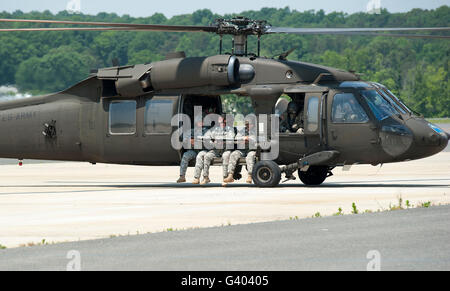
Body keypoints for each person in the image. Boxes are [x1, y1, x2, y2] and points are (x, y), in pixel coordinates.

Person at [193, 115, 234, 185]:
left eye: (221, 121)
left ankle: (225, 178)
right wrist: (213, 142)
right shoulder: (214, 129)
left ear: (225, 121)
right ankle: (205, 177)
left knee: (226, 156)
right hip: (216, 150)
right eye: (219, 121)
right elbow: (207, 137)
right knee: (207, 156)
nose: (220, 123)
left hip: (225, 149)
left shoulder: (230, 129)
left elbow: (231, 139)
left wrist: (223, 141)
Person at [223, 120, 257, 185]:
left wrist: (249, 138)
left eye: (249, 124)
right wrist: (243, 138)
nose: (247, 126)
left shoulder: (255, 130)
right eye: (246, 125)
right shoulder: (243, 130)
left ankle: (250, 175)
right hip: (242, 150)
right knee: (233, 154)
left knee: (250, 156)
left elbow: (255, 138)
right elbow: (236, 137)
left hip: (251, 150)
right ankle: (230, 175)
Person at [177, 116, 208, 183]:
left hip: (203, 150)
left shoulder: (206, 131)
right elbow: (182, 136)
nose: (199, 123)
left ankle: (196, 178)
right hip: (194, 150)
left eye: (201, 122)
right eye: (198, 122)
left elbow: (208, 140)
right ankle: (182, 176)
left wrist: (198, 141)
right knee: (185, 155)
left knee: (199, 157)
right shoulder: (193, 131)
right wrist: (189, 140)